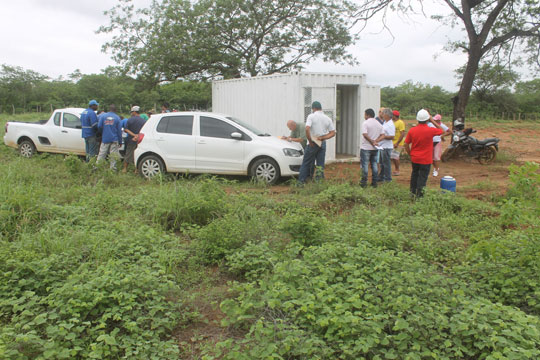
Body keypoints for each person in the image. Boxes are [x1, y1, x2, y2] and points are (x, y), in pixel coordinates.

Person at [404, 109, 443, 197]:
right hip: (426, 159)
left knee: (414, 175)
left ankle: (412, 193)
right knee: (422, 177)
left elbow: (406, 144)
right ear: (427, 119)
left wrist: (410, 153)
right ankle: (420, 196)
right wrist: (432, 120)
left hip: (415, 158)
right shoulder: (431, 130)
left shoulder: (412, 130)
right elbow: (441, 130)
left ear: (417, 119)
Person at [298, 101, 336, 184]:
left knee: (306, 163)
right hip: (322, 143)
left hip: (313, 142)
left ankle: (301, 182)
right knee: (320, 164)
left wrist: (310, 141)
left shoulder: (311, 116)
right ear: (321, 108)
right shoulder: (327, 118)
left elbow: (307, 128)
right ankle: (319, 182)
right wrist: (323, 137)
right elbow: (333, 133)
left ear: (313, 108)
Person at [360, 108, 383, 188]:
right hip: (375, 149)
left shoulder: (365, 123)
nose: (364, 116)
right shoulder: (378, 124)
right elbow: (383, 135)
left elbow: (365, 134)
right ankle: (374, 183)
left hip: (366, 148)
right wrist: (376, 141)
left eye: (365, 114)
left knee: (365, 165)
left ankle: (363, 183)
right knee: (374, 165)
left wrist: (372, 141)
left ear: (367, 115)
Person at [97, 104, 123, 170]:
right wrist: (120, 141)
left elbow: (99, 126)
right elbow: (119, 131)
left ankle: (97, 167)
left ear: (109, 109)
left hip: (105, 138)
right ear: (115, 110)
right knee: (113, 155)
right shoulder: (117, 118)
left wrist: (103, 132)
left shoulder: (103, 116)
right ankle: (113, 169)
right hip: (114, 139)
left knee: (102, 154)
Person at [122, 106, 147, 173]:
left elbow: (126, 129)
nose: (131, 113)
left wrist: (134, 135)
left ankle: (124, 169)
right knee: (138, 155)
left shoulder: (130, 120)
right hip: (140, 140)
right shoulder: (144, 121)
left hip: (131, 140)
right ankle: (136, 170)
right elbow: (145, 131)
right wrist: (138, 136)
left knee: (128, 154)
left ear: (134, 112)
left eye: (132, 112)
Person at [374, 108, 395, 183]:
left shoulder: (390, 124)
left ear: (386, 115)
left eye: (383, 113)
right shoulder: (385, 122)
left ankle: (388, 179)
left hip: (386, 147)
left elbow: (392, 136)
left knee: (386, 164)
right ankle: (381, 177)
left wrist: (383, 136)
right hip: (382, 146)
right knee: (382, 164)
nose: (382, 115)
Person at [391, 110, 406, 176]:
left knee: (396, 156)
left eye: (392, 115)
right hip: (392, 142)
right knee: (393, 156)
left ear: (394, 116)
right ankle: (396, 169)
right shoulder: (392, 122)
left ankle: (397, 170)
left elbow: (402, 134)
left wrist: (397, 143)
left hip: (398, 143)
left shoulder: (400, 123)